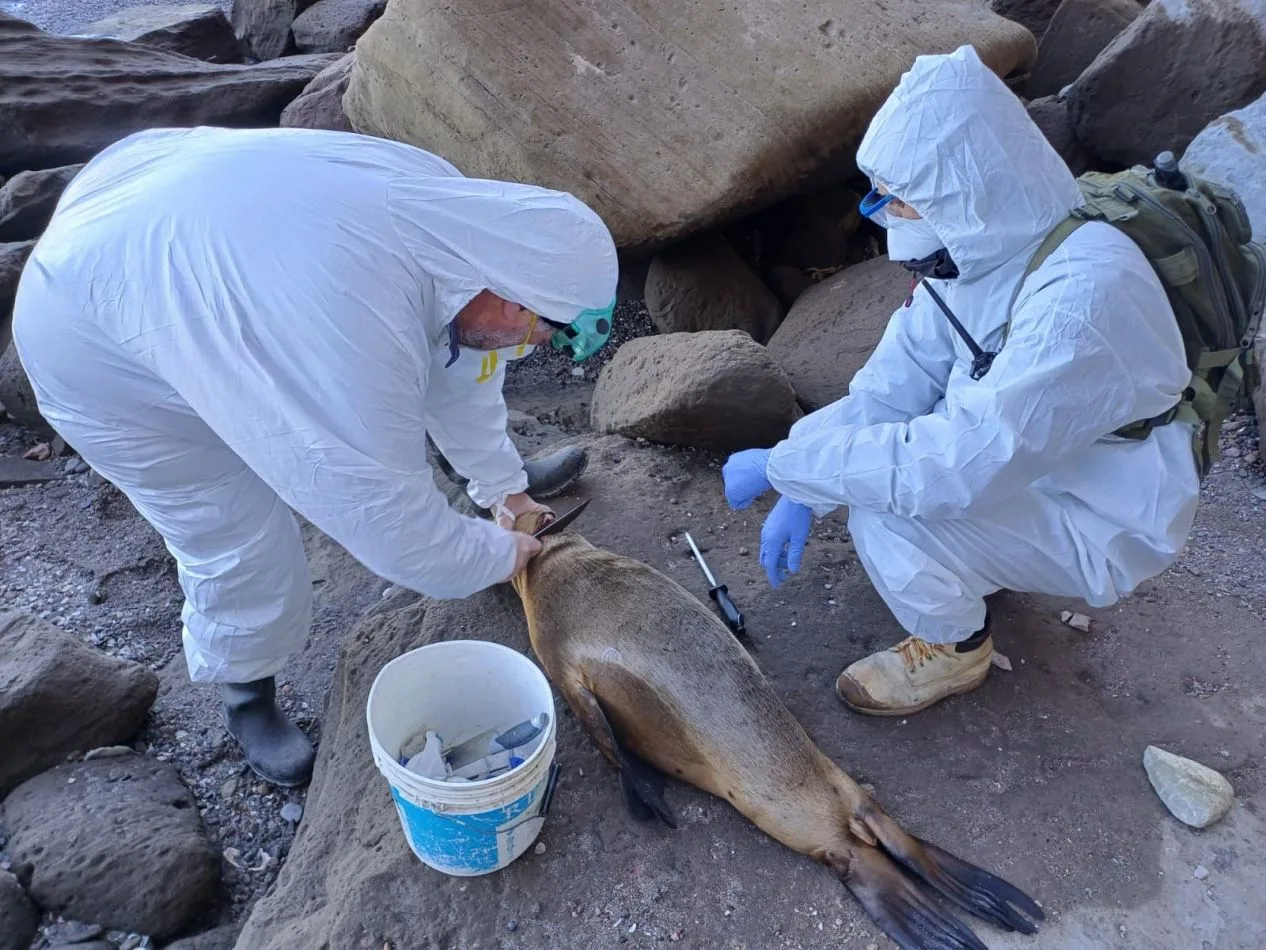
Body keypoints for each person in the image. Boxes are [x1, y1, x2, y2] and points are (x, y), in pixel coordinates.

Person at [11, 125, 619, 785]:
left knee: (420, 364)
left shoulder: (457, 221)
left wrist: (503, 488)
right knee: (234, 531)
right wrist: (505, 555)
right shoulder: (350, 325)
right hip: (95, 336)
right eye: (539, 331)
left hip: (168, 213)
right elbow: (387, 526)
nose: (533, 347)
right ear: (510, 295)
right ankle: (245, 694)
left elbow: (463, 362)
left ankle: (499, 483)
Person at [721, 45, 1200, 717]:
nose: (883, 214)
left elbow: (950, 468)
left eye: (901, 199)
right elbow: (891, 388)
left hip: (1108, 510)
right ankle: (978, 561)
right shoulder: (985, 255)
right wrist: (803, 476)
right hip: (1046, 463)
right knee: (889, 468)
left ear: (964, 190)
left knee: (886, 509)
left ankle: (956, 649)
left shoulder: (1082, 300)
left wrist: (791, 467)